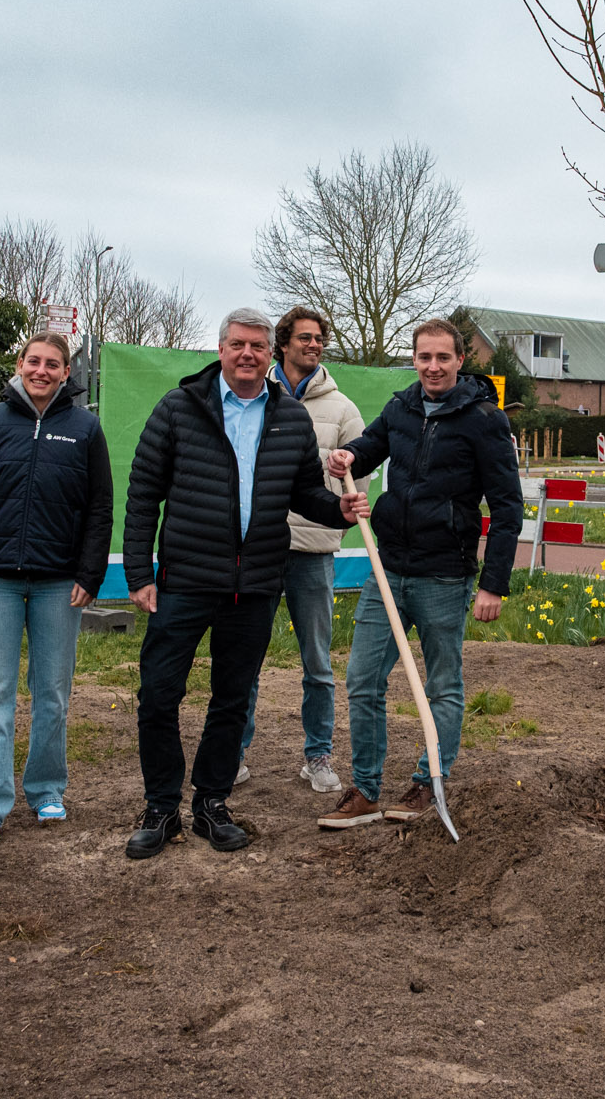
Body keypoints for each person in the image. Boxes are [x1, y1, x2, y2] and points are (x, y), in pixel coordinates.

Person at [119, 308, 367, 860]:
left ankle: (211, 801)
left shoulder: (289, 417)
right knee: (159, 696)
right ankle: (161, 807)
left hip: (254, 585)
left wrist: (340, 510)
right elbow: (141, 495)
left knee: (231, 701)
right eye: (238, 345)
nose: (248, 355)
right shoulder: (179, 409)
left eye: (256, 346)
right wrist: (139, 574)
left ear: (267, 353)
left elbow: (304, 493)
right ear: (221, 348)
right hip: (184, 580)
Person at [316, 318, 522, 829]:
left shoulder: (483, 419)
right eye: (424, 357)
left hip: (444, 575)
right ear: (414, 359)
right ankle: (364, 790)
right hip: (388, 569)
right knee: (362, 680)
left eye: (442, 358)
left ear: (459, 361)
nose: (432, 367)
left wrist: (493, 583)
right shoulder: (401, 407)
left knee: (443, 685)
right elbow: (372, 444)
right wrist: (350, 454)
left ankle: (429, 780)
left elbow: (507, 505)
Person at [0, 331, 113, 846]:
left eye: (53, 364)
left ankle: (45, 791)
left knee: (53, 694)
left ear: (67, 373)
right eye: (33, 361)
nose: (41, 371)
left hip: (59, 582)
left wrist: (90, 574)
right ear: (19, 365)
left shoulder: (85, 429)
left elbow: (100, 507)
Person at [235, 306, 365, 795]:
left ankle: (319, 756)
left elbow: (361, 474)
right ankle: (235, 752)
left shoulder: (342, 409)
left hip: (313, 550)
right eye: (304, 338)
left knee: (317, 661)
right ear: (283, 344)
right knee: (246, 656)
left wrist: (337, 510)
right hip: (261, 547)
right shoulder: (253, 397)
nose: (313, 345)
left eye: (320, 339)